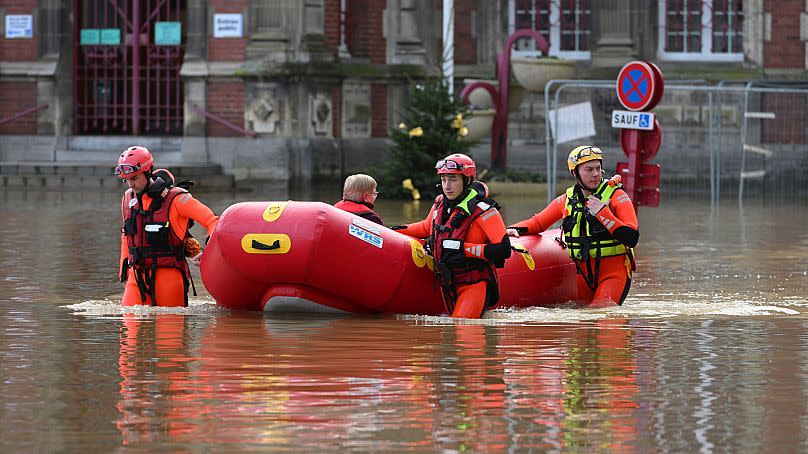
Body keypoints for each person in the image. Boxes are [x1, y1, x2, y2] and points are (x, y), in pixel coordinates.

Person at [507, 145, 639, 308]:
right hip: (583, 275)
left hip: (614, 272)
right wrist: (513, 229)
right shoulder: (567, 199)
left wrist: (603, 213)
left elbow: (632, 237)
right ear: (574, 173)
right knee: (583, 328)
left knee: (600, 316)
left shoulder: (617, 195)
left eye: (598, 168)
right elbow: (538, 223)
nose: (595, 174)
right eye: (589, 169)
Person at [393, 153, 512, 318]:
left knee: (462, 331)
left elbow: (504, 250)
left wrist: (463, 249)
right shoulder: (439, 203)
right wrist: (390, 230)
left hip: (474, 284)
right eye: (443, 180)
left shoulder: (485, 211)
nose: (447, 186)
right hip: (447, 283)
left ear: (467, 181)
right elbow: (424, 228)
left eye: (453, 180)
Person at [116, 145, 219, 307]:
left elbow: (213, 221)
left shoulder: (177, 199)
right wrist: (123, 271)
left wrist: (208, 254)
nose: (130, 184)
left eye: (134, 178)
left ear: (148, 171)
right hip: (136, 275)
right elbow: (126, 235)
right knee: (128, 326)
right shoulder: (128, 199)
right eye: (126, 179)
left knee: (169, 330)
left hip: (169, 274)